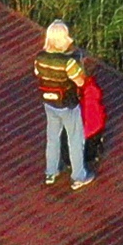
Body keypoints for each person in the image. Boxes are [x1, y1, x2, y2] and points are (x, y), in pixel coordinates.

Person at [36, 20, 92, 189]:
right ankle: (78, 176)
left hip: (49, 103)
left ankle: (51, 172)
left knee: (52, 137)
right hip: (68, 104)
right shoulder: (68, 63)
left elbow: (38, 73)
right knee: (74, 139)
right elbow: (81, 82)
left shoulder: (40, 58)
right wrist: (80, 69)